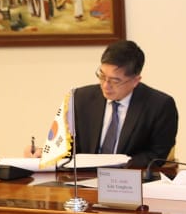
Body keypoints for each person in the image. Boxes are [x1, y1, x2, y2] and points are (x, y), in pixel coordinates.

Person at [26, 39, 178, 169]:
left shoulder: (160, 106)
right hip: (82, 181)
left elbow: (156, 155)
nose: (105, 85)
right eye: (102, 76)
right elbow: (66, 146)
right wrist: (43, 152)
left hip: (129, 182)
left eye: (115, 81)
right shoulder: (80, 98)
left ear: (135, 81)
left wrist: (117, 165)